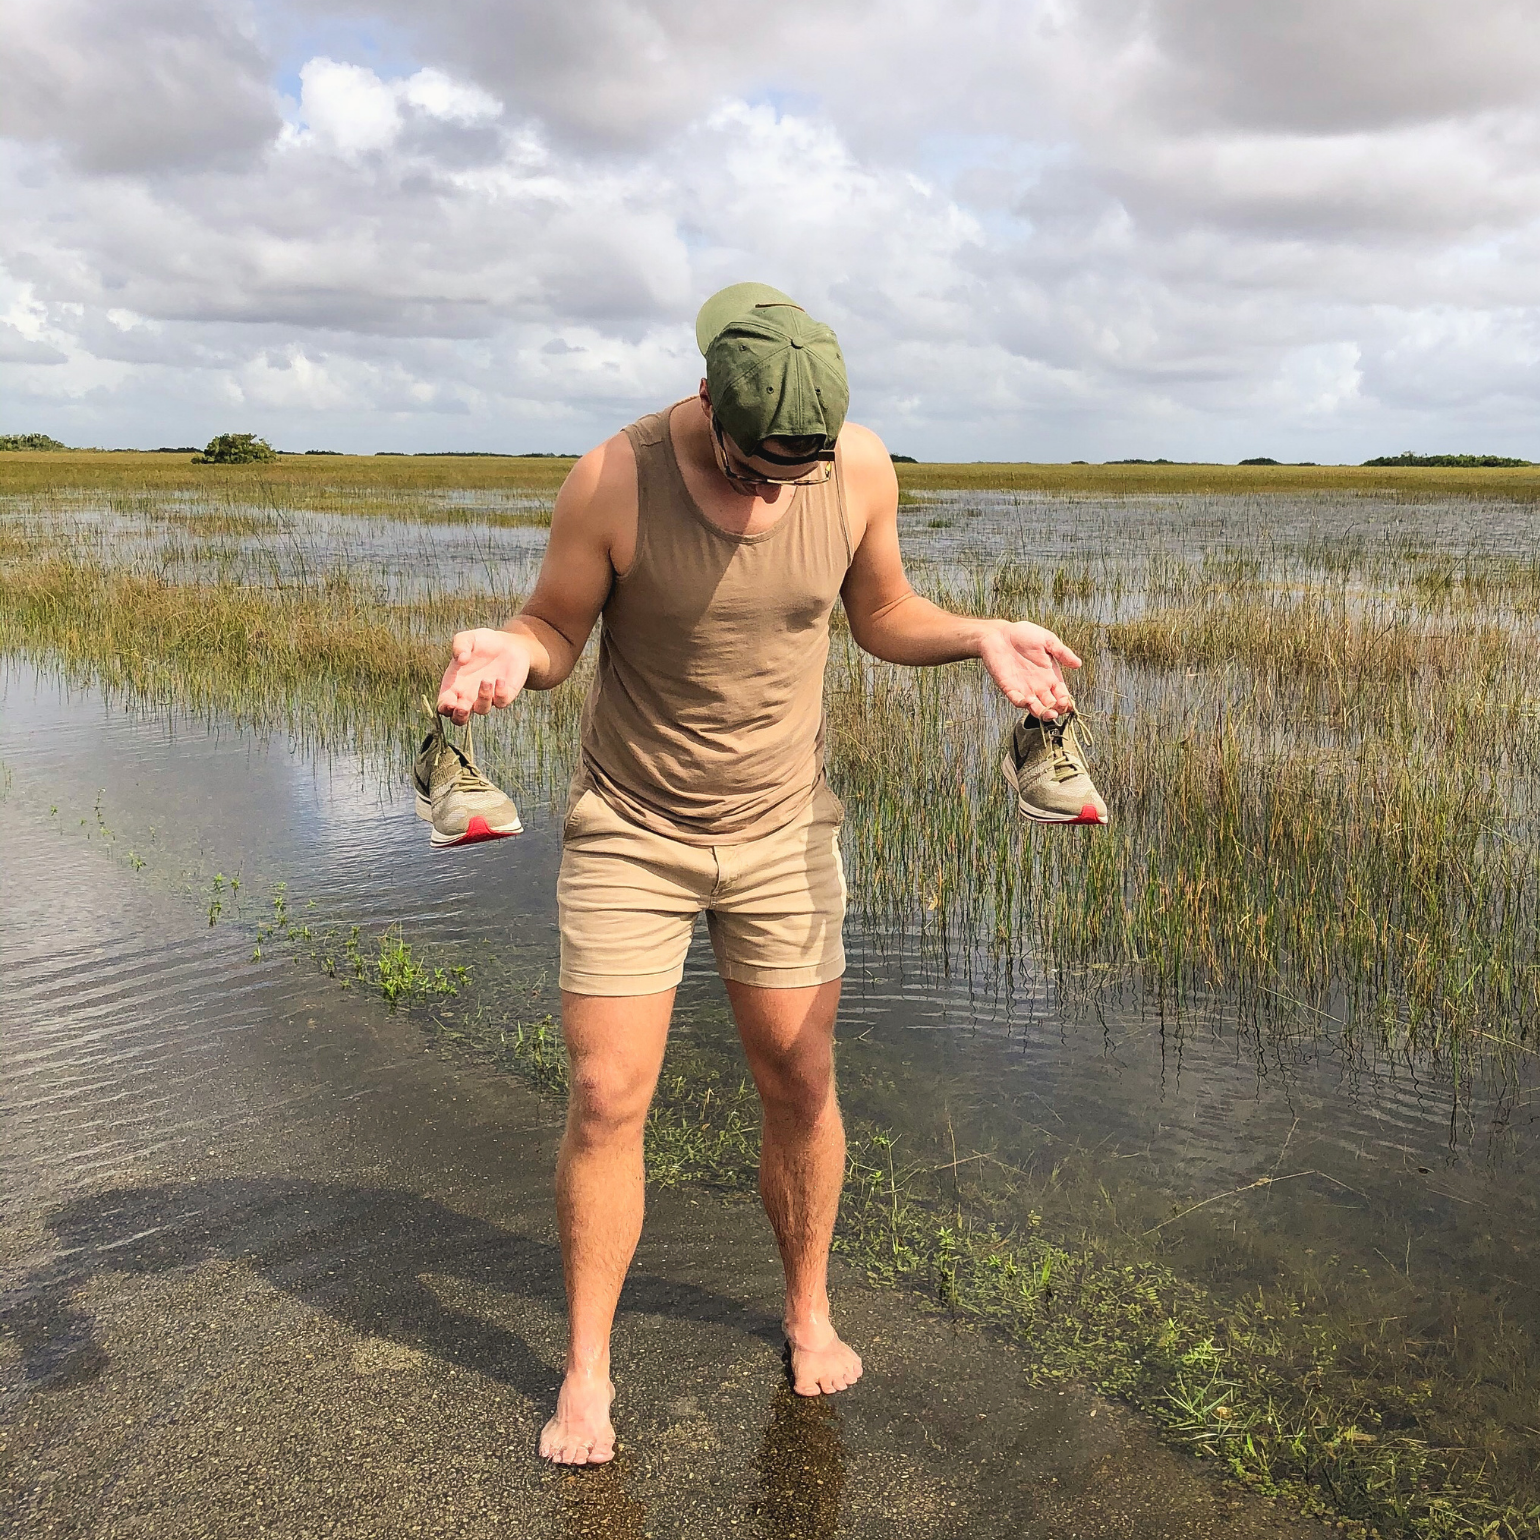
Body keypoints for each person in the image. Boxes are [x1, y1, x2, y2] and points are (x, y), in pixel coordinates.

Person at [436, 283, 1091, 1466]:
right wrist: (508, 652)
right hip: (632, 825)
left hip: (785, 829)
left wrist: (978, 634)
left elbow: (881, 611)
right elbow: (555, 628)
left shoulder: (859, 468)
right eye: (750, 471)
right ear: (705, 404)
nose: (767, 498)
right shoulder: (613, 478)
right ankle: (587, 1369)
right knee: (605, 1093)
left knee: (799, 1075)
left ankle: (807, 1308)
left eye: (797, 475)